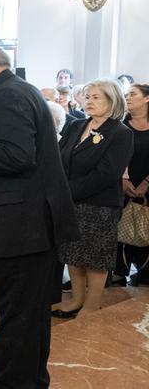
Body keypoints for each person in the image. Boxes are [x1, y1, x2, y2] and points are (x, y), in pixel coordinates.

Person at [0, 43, 78, 389]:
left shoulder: (7, 96)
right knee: (30, 313)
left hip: (21, 227)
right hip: (29, 225)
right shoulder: (13, 91)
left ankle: (13, 383)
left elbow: (16, 156)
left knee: (19, 314)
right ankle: (27, 377)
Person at [53, 80, 132, 318]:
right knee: (73, 254)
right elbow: (59, 158)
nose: (89, 101)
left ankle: (92, 304)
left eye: (97, 97)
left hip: (99, 205)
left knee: (95, 257)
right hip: (70, 202)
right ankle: (76, 300)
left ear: (113, 101)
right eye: (88, 96)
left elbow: (106, 175)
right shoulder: (76, 125)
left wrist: (67, 191)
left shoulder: (120, 133)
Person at [114, 84, 149, 286]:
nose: (128, 97)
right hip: (121, 183)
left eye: (133, 94)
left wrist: (146, 183)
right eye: (126, 94)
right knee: (119, 227)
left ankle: (144, 272)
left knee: (144, 227)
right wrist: (123, 178)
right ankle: (119, 272)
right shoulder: (120, 125)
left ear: (147, 99)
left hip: (147, 186)